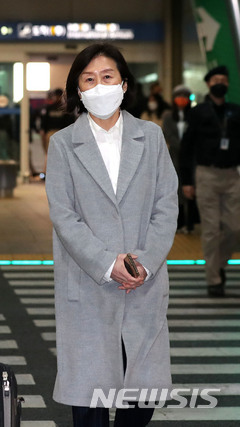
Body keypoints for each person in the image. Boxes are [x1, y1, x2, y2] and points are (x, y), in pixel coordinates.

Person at [45, 43, 177, 427]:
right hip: (89, 283)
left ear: (123, 84)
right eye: (89, 79)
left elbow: (166, 205)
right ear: (77, 90)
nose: (99, 86)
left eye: (107, 77)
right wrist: (107, 263)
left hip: (143, 282)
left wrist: (144, 264)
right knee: (89, 398)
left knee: (142, 393)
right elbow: (64, 215)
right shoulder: (64, 144)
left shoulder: (150, 137)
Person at [179, 65, 240, 297]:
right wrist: (186, 180)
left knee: (236, 228)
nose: (220, 82)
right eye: (215, 79)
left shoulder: (235, 111)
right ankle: (214, 279)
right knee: (211, 230)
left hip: (233, 175)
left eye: (224, 79)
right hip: (206, 174)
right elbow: (187, 148)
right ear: (208, 84)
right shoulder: (198, 112)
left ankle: (219, 264)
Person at [162, 85, 199, 234]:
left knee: (191, 186)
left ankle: (191, 222)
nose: (181, 99)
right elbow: (168, 134)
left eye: (185, 96)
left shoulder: (195, 115)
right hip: (175, 156)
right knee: (177, 189)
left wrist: (189, 147)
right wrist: (182, 146)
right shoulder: (168, 115)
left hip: (192, 157)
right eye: (179, 96)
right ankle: (179, 222)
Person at [40, 88, 76, 172]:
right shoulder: (65, 109)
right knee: (62, 154)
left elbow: (44, 123)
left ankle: (48, 172)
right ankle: (58, 171)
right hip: (61, 134)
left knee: (50, 153)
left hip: (51, 134)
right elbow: (71, 123)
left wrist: (43, 133)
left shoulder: (49, 108)